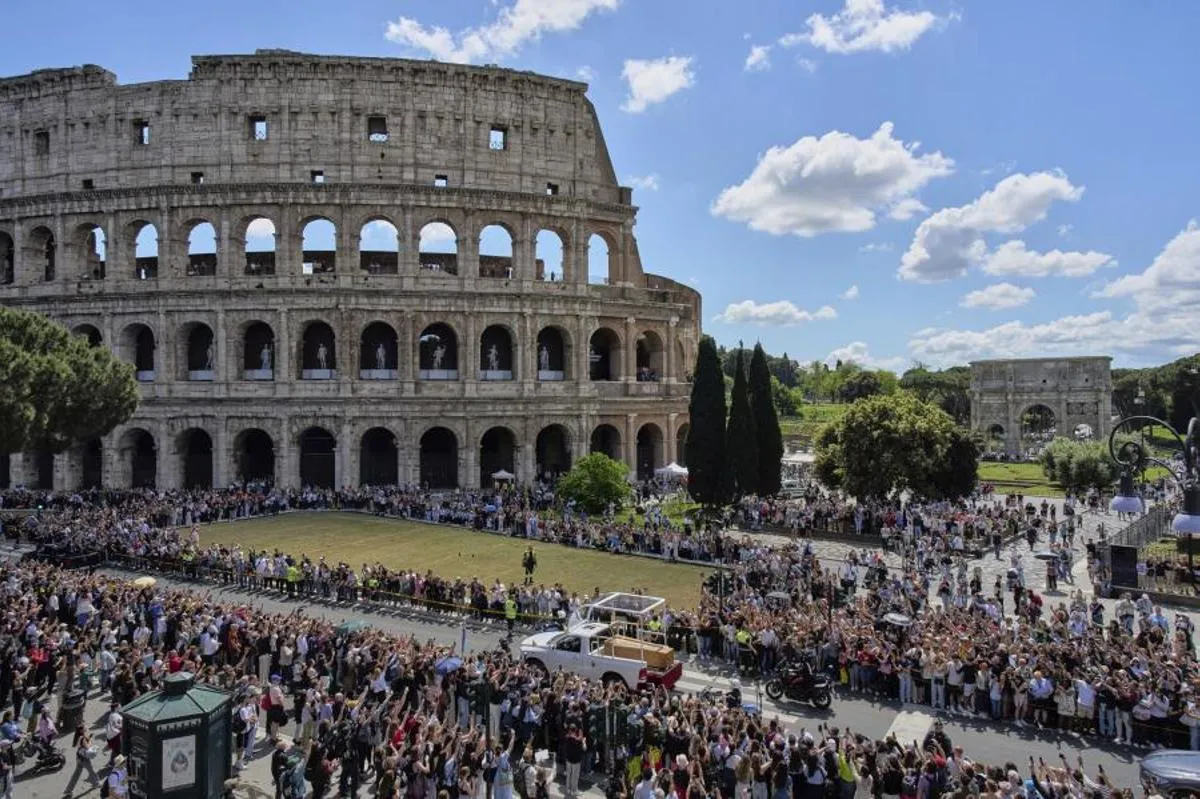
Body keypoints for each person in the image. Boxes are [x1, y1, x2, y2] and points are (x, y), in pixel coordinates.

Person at [64, 723, 102, 795]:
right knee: (92, 771)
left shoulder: (78, 736)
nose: (85, 728)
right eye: (84, 728)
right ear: (81, 730)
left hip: (79, 757)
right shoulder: (82, 738)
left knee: (76, 774)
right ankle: (97, 783)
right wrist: (90, 740)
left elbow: (80, 745)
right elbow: (88, 747)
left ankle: (68, 790)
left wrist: (88, 738)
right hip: (84, 758)